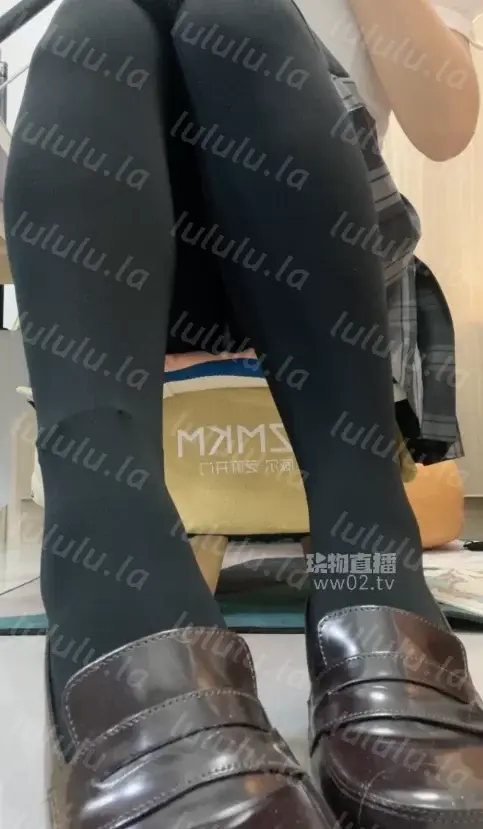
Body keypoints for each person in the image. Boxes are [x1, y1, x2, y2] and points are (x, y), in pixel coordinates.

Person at [5, 0, 483, 828]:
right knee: (98, 28)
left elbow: (445, 126)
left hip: (321, 266)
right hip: (124, 274)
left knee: (239, 17)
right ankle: (122, 579)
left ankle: (363, 557)